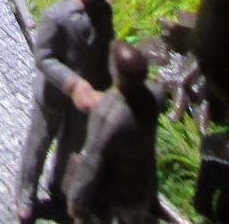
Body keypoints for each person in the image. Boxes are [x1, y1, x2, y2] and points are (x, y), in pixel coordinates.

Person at [16, 0, 114, 222]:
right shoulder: (55, 15)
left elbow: (106, 47)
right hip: (54, 94)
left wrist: (108, 83)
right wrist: (73, 84)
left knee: (72, 146)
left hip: (86, 98)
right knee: (38, 145)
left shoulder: (103, 11)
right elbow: (44, 58)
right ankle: (25, 194)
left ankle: (59, 190)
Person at [67, 41, 167, 224]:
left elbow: (91, 163)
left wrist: (76, 200)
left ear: (116, 73)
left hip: (113, 196)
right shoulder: (154, 96)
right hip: (143, 185)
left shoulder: (108, 115)